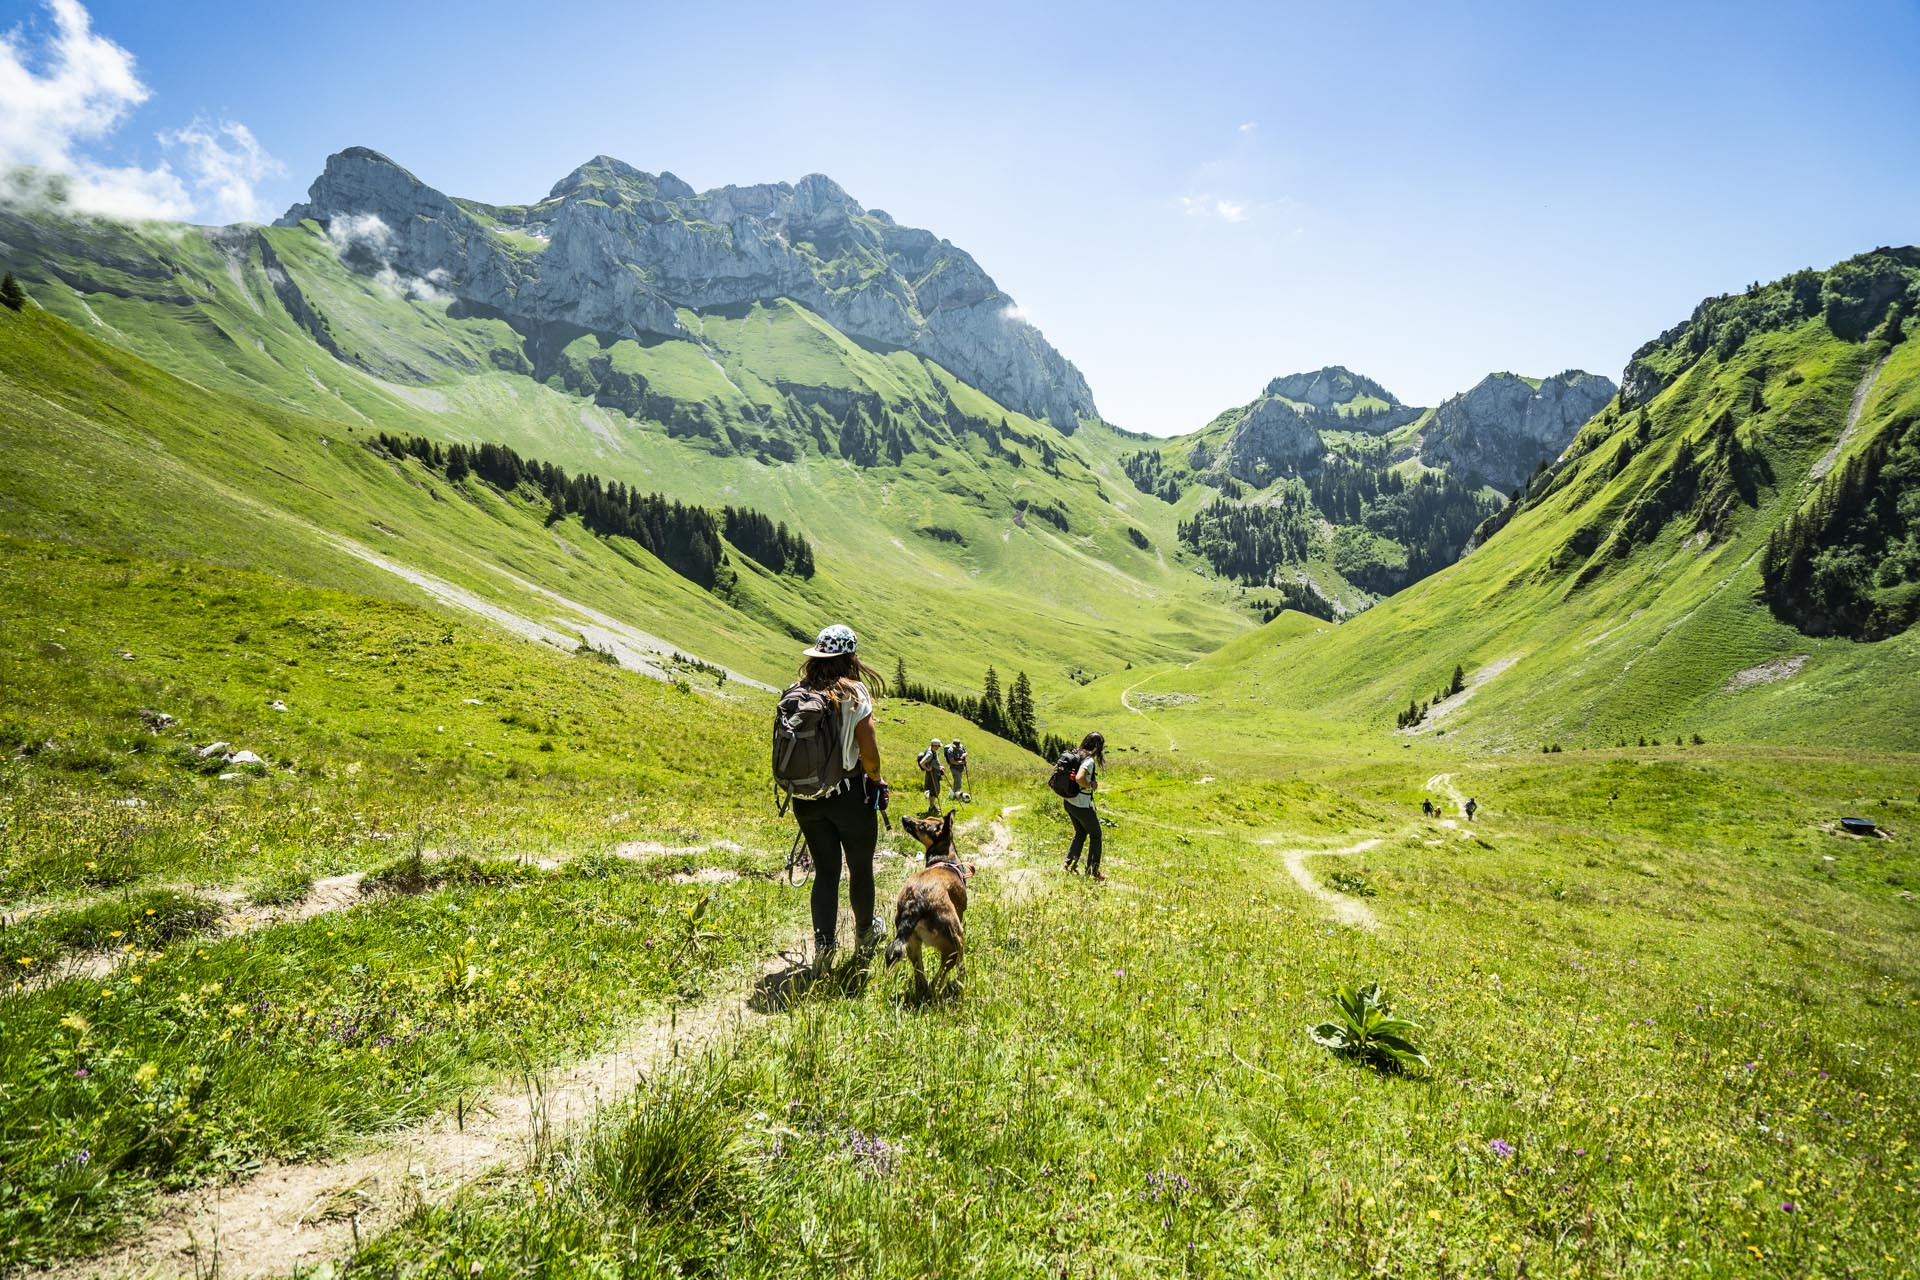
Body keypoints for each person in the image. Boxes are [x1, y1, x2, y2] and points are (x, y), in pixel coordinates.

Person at [788, 624, 888, 956]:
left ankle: (824, 946)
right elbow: (869, 753)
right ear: (850, 657)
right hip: (849, 795)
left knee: (826, 871)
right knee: (860, 867)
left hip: (807, 798)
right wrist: (875, 780)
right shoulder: (854, 693)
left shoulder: (798, 690)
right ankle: (864, 937)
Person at [1062, 730, 1106, 882]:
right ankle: (1092, 871)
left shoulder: (1077, 754)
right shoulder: (1089, 760)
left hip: (1069, 802)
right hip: (1081, 805)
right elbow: (1080, 777)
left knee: (1080, 832)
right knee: (1096, 835)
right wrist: (1088, 786)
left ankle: (1069, 864)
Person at [917, 738, 945, 813]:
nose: (939, 747)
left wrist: (939, 767)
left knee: (934, 790)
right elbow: (922, 763)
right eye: (938, 746)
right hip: (932, 774)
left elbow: (934, 762)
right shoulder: (930, 753)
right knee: (935, 790)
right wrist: (927, 769)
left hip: (935, 772)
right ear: (935, 746)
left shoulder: (931, 749)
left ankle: (932, 805)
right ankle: (931, 807)